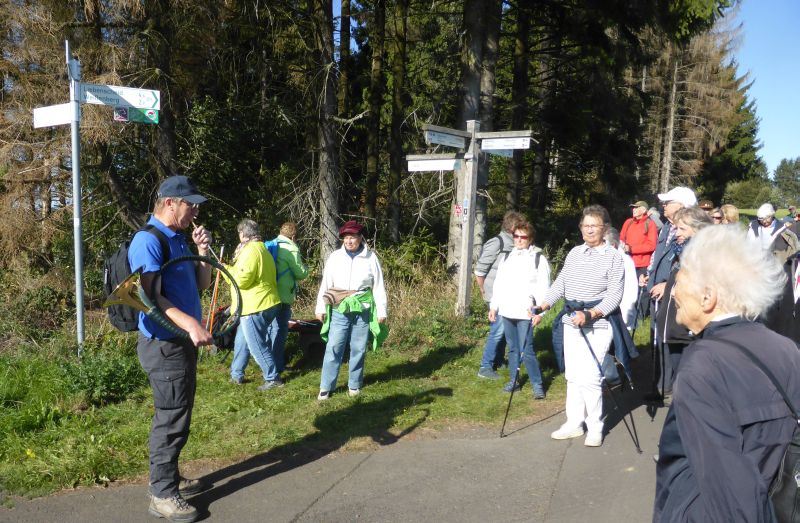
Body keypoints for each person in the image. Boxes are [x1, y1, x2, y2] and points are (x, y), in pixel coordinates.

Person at [653, 225, 800, 522]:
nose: (673, 293)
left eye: (679, 281)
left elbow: (727, 492)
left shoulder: (702, 366)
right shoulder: (787, 349)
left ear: (707, 297)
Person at [128, 175, 213, 522]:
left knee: (178, 413)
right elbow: (150, 297)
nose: (195, 210)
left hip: (180, 344)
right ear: (169, 203)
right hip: (164, 345)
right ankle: (162, 494)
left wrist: (203, 252)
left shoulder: (178, 239)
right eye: (189, 203)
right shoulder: (147, 241)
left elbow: (202, 284)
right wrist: (192, 324)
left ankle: (168, 476)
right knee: (171, 418)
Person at [533, 205, 625, 448]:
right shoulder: (575, 253)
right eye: (585, 226)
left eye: (594, 225)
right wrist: (542, 306)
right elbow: (561, 283)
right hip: (570, 321)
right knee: (573, 376)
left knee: (592, 376)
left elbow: (614, 296)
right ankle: (574, 422)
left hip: (599, 323)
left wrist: (591, 313)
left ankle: (595, 426)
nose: (589, 230)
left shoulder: (614, 256)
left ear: (604, 228)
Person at [315, 220, 388, 400]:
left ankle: (354, 384)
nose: (349, 241)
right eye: (346, 237)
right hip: (340, 308)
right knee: (334, 346)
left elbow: (378, 286)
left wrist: (381, 311)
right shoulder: (335, 258)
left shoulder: (371, 258)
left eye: (352, 237)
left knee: (358, 348)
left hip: (362, 310)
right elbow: (326, 283)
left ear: (360, 238)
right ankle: (326, 386)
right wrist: (320, 307)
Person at [642, 186, 696, 400]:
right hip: (657, 291)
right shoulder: (667, 227)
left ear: (682, 205)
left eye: (669, 202)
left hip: (674, 294)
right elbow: (658, 256)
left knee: (673, 341)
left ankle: (675, 389)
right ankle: (660, 385)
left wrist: (668, 285)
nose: (664, 205)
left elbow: (687, 265)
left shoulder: (693, 232)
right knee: (658, 339)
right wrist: (649, 274)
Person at [651, 207, 712, 393]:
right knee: (681, 381)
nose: (677, 233)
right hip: (676, 329)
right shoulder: (681, 251)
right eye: (676, 228)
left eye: (682, 229)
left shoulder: (704, 255)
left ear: (698, 229)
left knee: (691, 386)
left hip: (691, 332)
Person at [488, 221, 550, 398]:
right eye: (516, 236)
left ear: (530, 239)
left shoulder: (539, 259)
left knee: (527, 350)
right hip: (507, 311)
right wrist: (494, 306)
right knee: (513, 348)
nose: (519, 240)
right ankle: (513, 381)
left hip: (526, 313)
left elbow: (544, 288)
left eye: (523, 237)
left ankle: (537, 384)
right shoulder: (506, 257)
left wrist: (540, 313)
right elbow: (499, 284)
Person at [227, 219, 283, 390]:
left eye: (239, 233)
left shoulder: (251, 251)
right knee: (242, 340)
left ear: (243, 234)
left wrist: (225, 271)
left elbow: (242, 281)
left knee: (256, 345)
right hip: (265, 301)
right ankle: (236, 374)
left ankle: (273, 378)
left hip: (255, 305)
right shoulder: (262, 248)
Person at [474, 210, 525, 379]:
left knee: (505, 329)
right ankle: (485, 367)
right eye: (519, 228)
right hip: (497, 296)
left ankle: (498, 360)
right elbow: (480, 270)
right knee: (498, 330)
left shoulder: (515, 244)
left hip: (510, 295)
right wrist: (484, 291)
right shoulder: (497, 243)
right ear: (512, 228)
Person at [272, 222, 309, 372]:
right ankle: (276, 366)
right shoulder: (291, 247)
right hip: (283, 296)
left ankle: (269, 364)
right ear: (293, 236)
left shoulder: (272, 244)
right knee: (280, 331)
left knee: (270, 330)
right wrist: (308, 269)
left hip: (268, 294)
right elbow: (301, 273)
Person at [620, 200, 657, 322]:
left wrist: (632, 249)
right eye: (633, 207)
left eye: (636, 207)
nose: (634, 210)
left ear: (644, 210)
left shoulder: (650, 224)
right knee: (628, 288)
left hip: (643, 263)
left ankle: (642, 317)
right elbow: (621, 239)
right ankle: (629, 313)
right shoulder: (628, 222)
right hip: (627, 262)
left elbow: (652, 245)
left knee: (643, 291)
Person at [605, 227, 639, 332]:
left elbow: (631, 293)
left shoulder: (626, 262)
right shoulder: (606, 259)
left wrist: (625, 317)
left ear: (613, 245)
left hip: (621, 314)